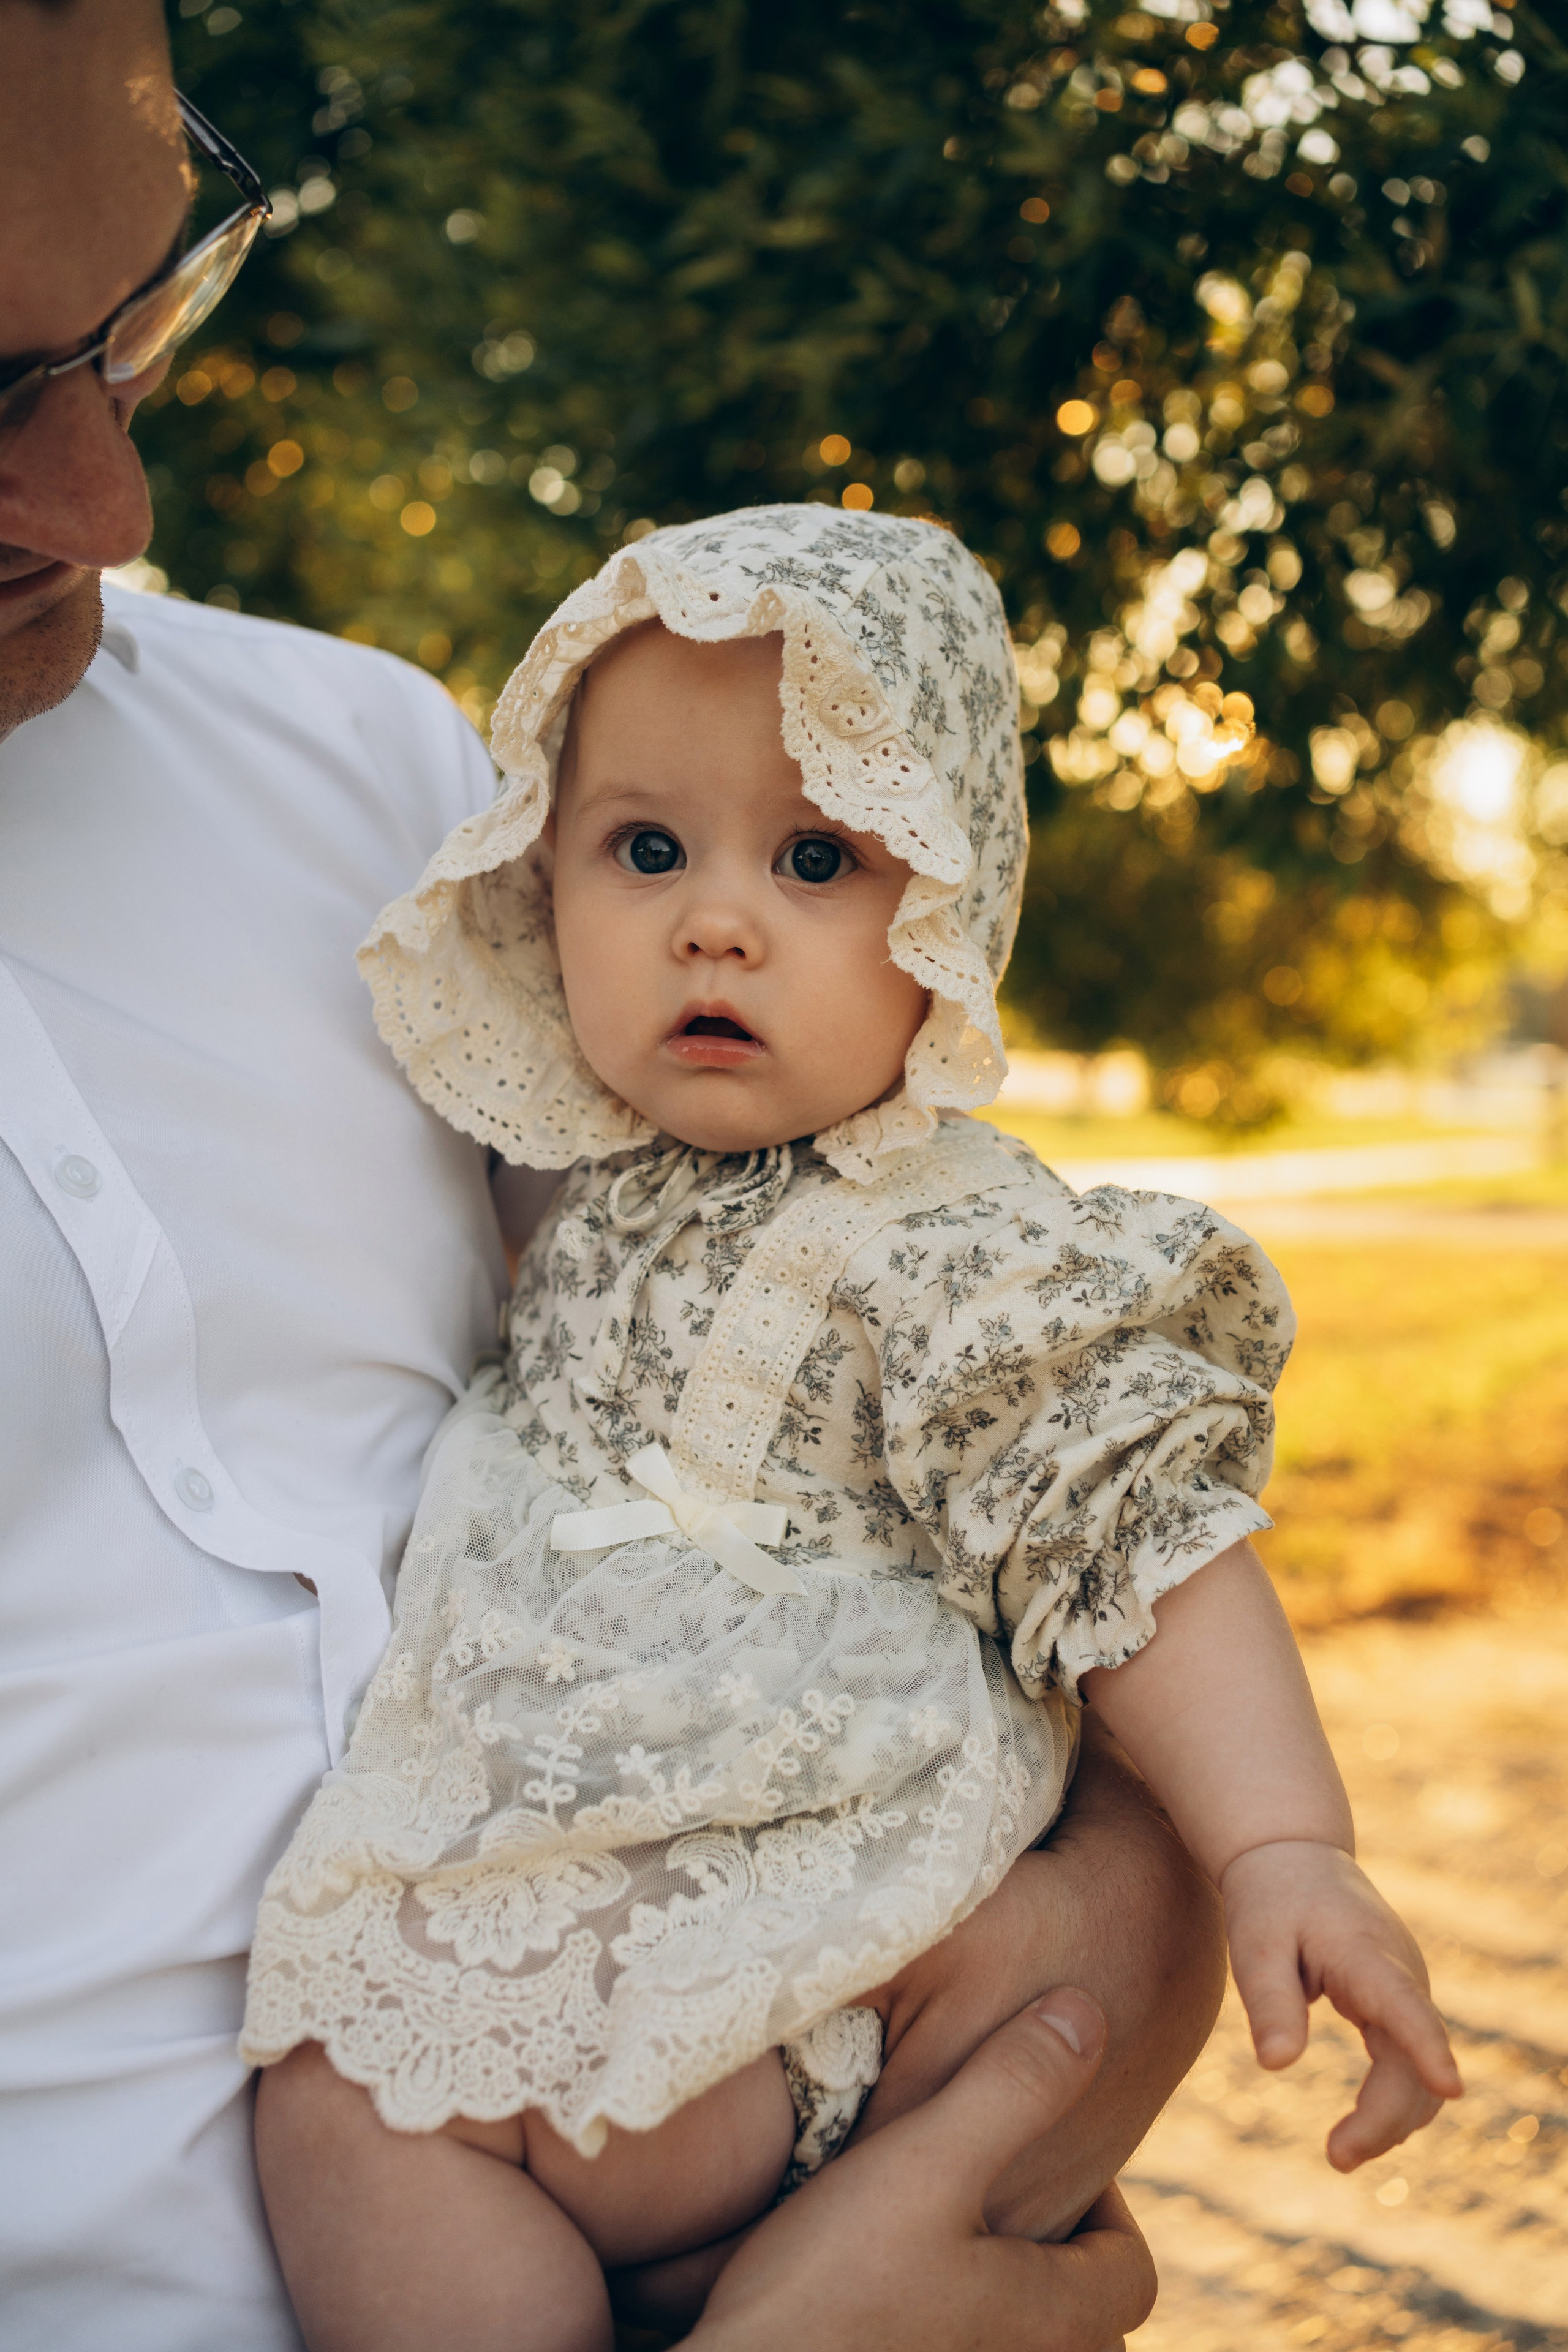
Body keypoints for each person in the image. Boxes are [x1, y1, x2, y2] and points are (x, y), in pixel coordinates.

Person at [0, 4, 1226, 2348]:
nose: (108, 509)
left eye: (133, 325)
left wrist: (1119, 1942)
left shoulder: (376, 781)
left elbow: (807, 1390)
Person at [242, 508, 1460, 2352]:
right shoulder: (560, 1191)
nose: (714, 917)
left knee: (356, 2107)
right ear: (537, 879)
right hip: (528, 1954)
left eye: (818, 857)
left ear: (951, 910)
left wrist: (1285, 1845)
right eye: (643, 850)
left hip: (795, 1959)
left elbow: (1142, 1544)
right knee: (346, 2108)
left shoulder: (962, 1246)